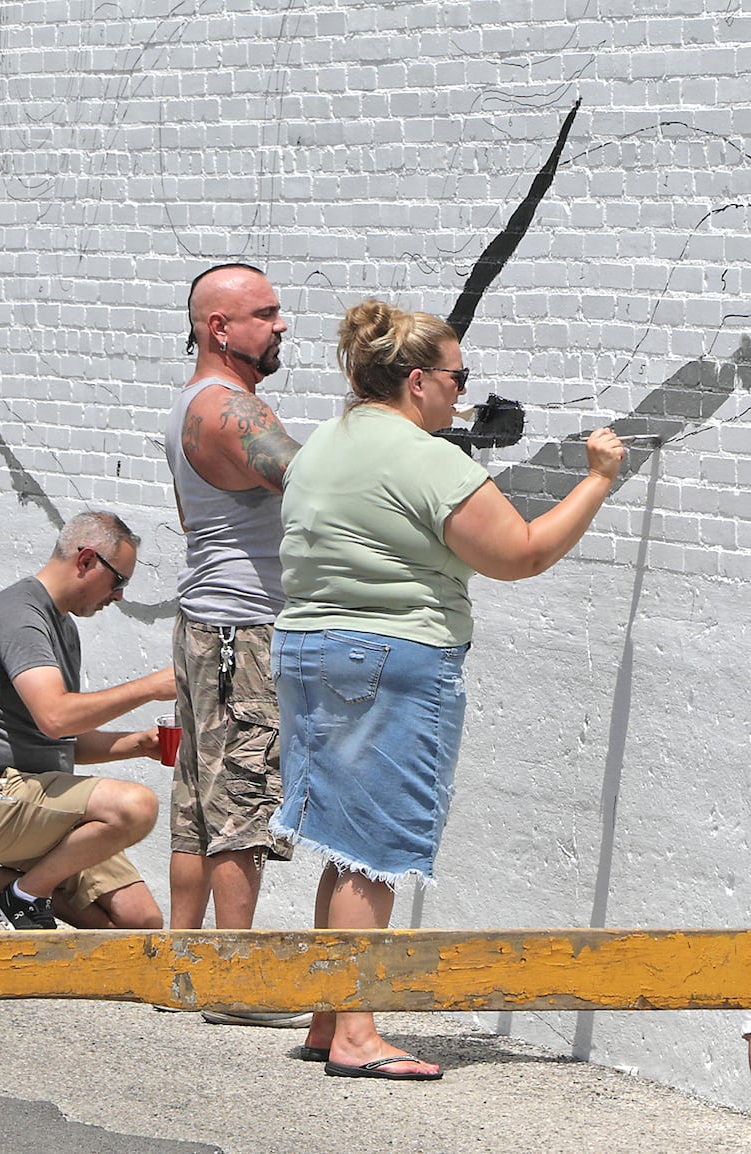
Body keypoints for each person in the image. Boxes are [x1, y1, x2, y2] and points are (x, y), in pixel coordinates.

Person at [272, 298, 625, 1080]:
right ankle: (359, 1035)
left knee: (339, 838)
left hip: (305, 649)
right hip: (390, 658)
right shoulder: (427, 457)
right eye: (458, 377)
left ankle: (334, 1016)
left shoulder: (322, 444)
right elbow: (521, 554)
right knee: (374, 850)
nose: (463, 393)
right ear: (419, 381)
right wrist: (598, 480)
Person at [165, 263, 306, 1028]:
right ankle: (234, 984)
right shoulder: (228, 411)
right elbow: (313, 482)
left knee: (197, 799)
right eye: (267, 313)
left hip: (205, 622)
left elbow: (195, 525)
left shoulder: (193, 404)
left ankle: (180, 970)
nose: (281, 325)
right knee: (243, 802)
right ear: (220, 327)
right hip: (241, 629)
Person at [0, 511, 176, 932]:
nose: (118, 596)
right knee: (136, 807)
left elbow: (60, 741)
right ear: (85, 560)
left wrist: (139, 744)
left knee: (140, 923)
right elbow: (55, 717)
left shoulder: (63, 627)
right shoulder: (19, 615)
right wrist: (151, 687)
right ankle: (25, 893)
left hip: (41, 802)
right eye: (118, 580)